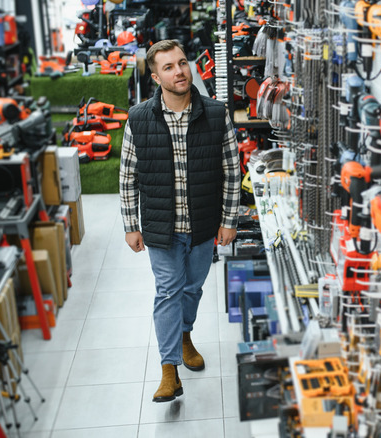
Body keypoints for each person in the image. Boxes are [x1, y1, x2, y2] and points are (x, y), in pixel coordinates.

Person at [119, 39, 240, 403]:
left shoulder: (216, 114)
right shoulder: (139, 119)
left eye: (182, 63)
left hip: (203, 224)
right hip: (161, 228)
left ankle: (185, 334)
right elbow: (128, 176)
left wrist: (230, 219)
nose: (179, 71)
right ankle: (169, 369)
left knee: (192, 289)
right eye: (169, 67)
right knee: (169, 291)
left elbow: (232, 171)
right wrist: (131, 224)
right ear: (156, 77)